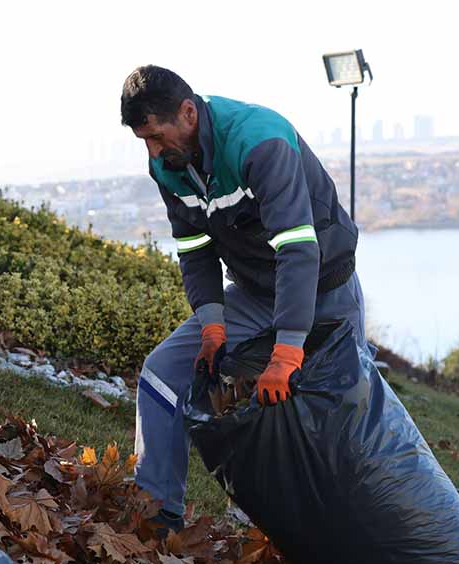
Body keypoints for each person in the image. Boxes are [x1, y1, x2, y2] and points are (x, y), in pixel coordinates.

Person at [122, 65, 365, 531]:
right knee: (163, 373)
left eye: (155, 136)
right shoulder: (167, 166)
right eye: (143, 141)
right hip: (254, 292)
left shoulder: (260, 140)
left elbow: (297, 250)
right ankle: (158, 512)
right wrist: (212, 323)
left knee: (344, 415)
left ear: (188, 113)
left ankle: (351, 538)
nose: (151, 151)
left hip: (326, 286)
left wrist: (288, 349)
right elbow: (194, 251)